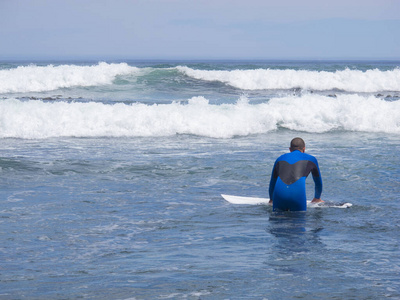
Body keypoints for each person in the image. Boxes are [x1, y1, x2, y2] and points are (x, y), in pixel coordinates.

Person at [269, 137, 323, 211]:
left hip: (279, 196)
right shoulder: (311, 159)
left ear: (290, 149)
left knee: (278, 220)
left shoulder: (279, 159)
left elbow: (272, 182)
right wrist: (317, 198)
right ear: (304, 149)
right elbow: (318, 182)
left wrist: (271, 199)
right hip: (297, 196)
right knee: (298, 221)